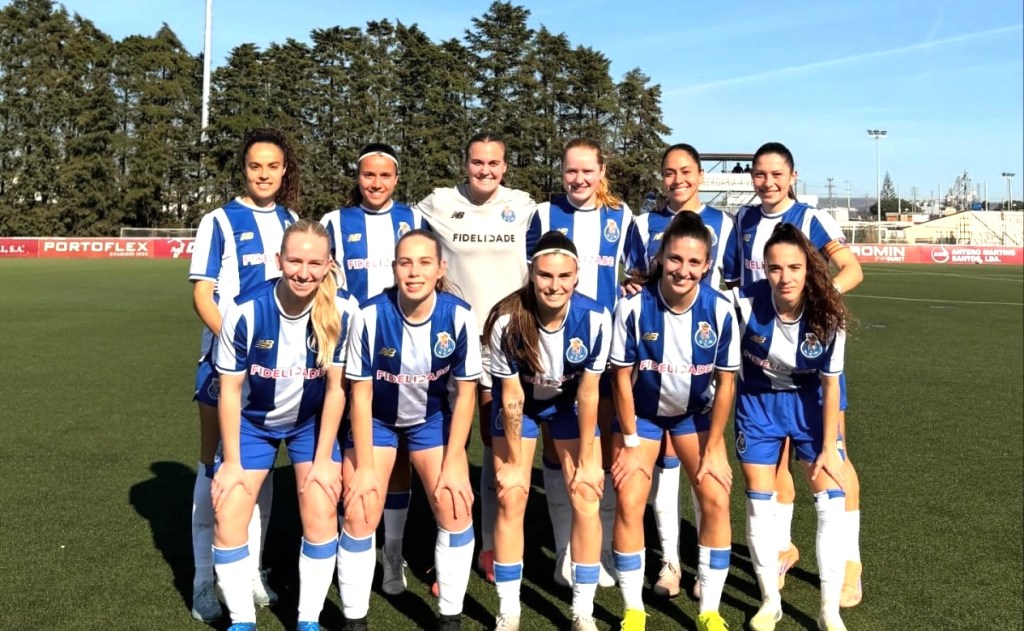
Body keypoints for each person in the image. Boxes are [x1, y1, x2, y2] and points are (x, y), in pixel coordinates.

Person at [731, 142, 864, 607]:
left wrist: (818, 304)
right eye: (759, 174)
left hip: (809, 359)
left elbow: (851, 268)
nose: (767, 182)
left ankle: (849, 562)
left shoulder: (812, 218)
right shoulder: (744, 222)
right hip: (763, 365)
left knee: (833, 461)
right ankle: (782, 549)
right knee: (775, 463)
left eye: (776, 174)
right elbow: (731, 285)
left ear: (792, 176)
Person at [210, 219, 358, 631]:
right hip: (252, 426)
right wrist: (233, 463)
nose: (303, 271)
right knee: (228, 512)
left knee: (322, 508)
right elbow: (230, 392)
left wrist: (326, 461)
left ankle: (307, 619)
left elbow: (336, 390)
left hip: (310, 426)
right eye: (294, 260)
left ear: (328, 264)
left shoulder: (344, 311)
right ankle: (242, 621)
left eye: (314, 262)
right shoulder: (244, 311)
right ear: (279, 260)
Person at [337, 229, 482, 631]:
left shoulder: (458, 314)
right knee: (362, 507)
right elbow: (360, 397)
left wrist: (456, 462)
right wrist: (364, 467)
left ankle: (449, 618)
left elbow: (466, 394)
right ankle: (355, 621)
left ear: (440, 269)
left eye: (423, 263)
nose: (414, 272)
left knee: (455, 504)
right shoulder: (369, 316)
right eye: (405, 263)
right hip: (378, 423)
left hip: (429, 422)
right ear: (394, 267)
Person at [188, 128, 301, 622]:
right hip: (224, 364)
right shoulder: (218, 220)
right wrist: (236, 344)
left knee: (260, 468)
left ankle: (250, 572)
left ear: (283, 170)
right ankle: (201, 582)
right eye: (256, 166)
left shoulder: (293, 220)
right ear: (245, 168)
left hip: (279, 368)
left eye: (272, 166)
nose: (264, 174)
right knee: (214, 468)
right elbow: (201, 294)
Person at [415, 133, 537, 582]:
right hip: (451, 343)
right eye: (477, 162)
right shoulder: (438, 204)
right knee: (446, 446)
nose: (485, 170)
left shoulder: (524, 207)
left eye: (494, 163)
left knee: (494, 445)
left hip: (506, 345)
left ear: (505, 166)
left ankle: (488, 546)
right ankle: (446, 543)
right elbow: (411, 251)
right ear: (464, 163)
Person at [610, 212, 740, 631]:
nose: (683, 270)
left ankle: (710, 610)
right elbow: (621, 382)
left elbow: (725, 384)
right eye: (675, 259)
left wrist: (715, 446)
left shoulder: (719, 310)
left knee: (716, 497)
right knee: (630, 498)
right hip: (643, 417)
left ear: (706, 265)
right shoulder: (632, 306)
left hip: (693, 417)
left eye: (693, 262)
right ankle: (633, 609)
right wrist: (630, 442)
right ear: (662, 258)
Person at [483, 231, 611, 631]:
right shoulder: (506, 319)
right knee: (513, 494)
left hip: (569, 403)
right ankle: (509, 609)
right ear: (531, 274)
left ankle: (583, 610)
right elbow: (511, 395)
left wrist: (590, 459)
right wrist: (516, 464)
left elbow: (589, 393)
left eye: (563, 276)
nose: (554, 285)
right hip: (522, 404)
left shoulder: (594, 318)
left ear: (576, 276)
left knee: (588, 495)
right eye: (544, 275)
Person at [734, 223, 850, 631]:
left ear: (808, 269)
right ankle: (770, 601)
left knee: (830, 505)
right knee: (758, 506)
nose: (785, 277)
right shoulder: (743, 304)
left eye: (794, 267)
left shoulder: (828, 314)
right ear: (764, 269)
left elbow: (831, 383)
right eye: (775, 268)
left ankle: (828, 610)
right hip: (758, 406)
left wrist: (829, 445)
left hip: (809, 407)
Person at [527, 137, 632, 588]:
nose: (579, 179)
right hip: (551, 350)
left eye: (588, 171)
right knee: (555, 451)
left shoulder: (621, 216)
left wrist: (633, 288)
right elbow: (529, 274)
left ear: (602, 171)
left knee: (601, 452)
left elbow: (641, 270)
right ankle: (565, 551)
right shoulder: (543, 214)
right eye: (571, 170)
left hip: (603, 353)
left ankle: (601, 549)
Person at [319, 143, 423, 595]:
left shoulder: (414, 220)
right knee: (355, 456)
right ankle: (352, 548)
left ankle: (393, 553)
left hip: (405, 354)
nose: (376, 183)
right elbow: (325, 285)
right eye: (368, 175)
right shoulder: (335, 222)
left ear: (396, 179)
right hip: (350, 356)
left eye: (384, 176)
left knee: (398, 456)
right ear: (358, 177)